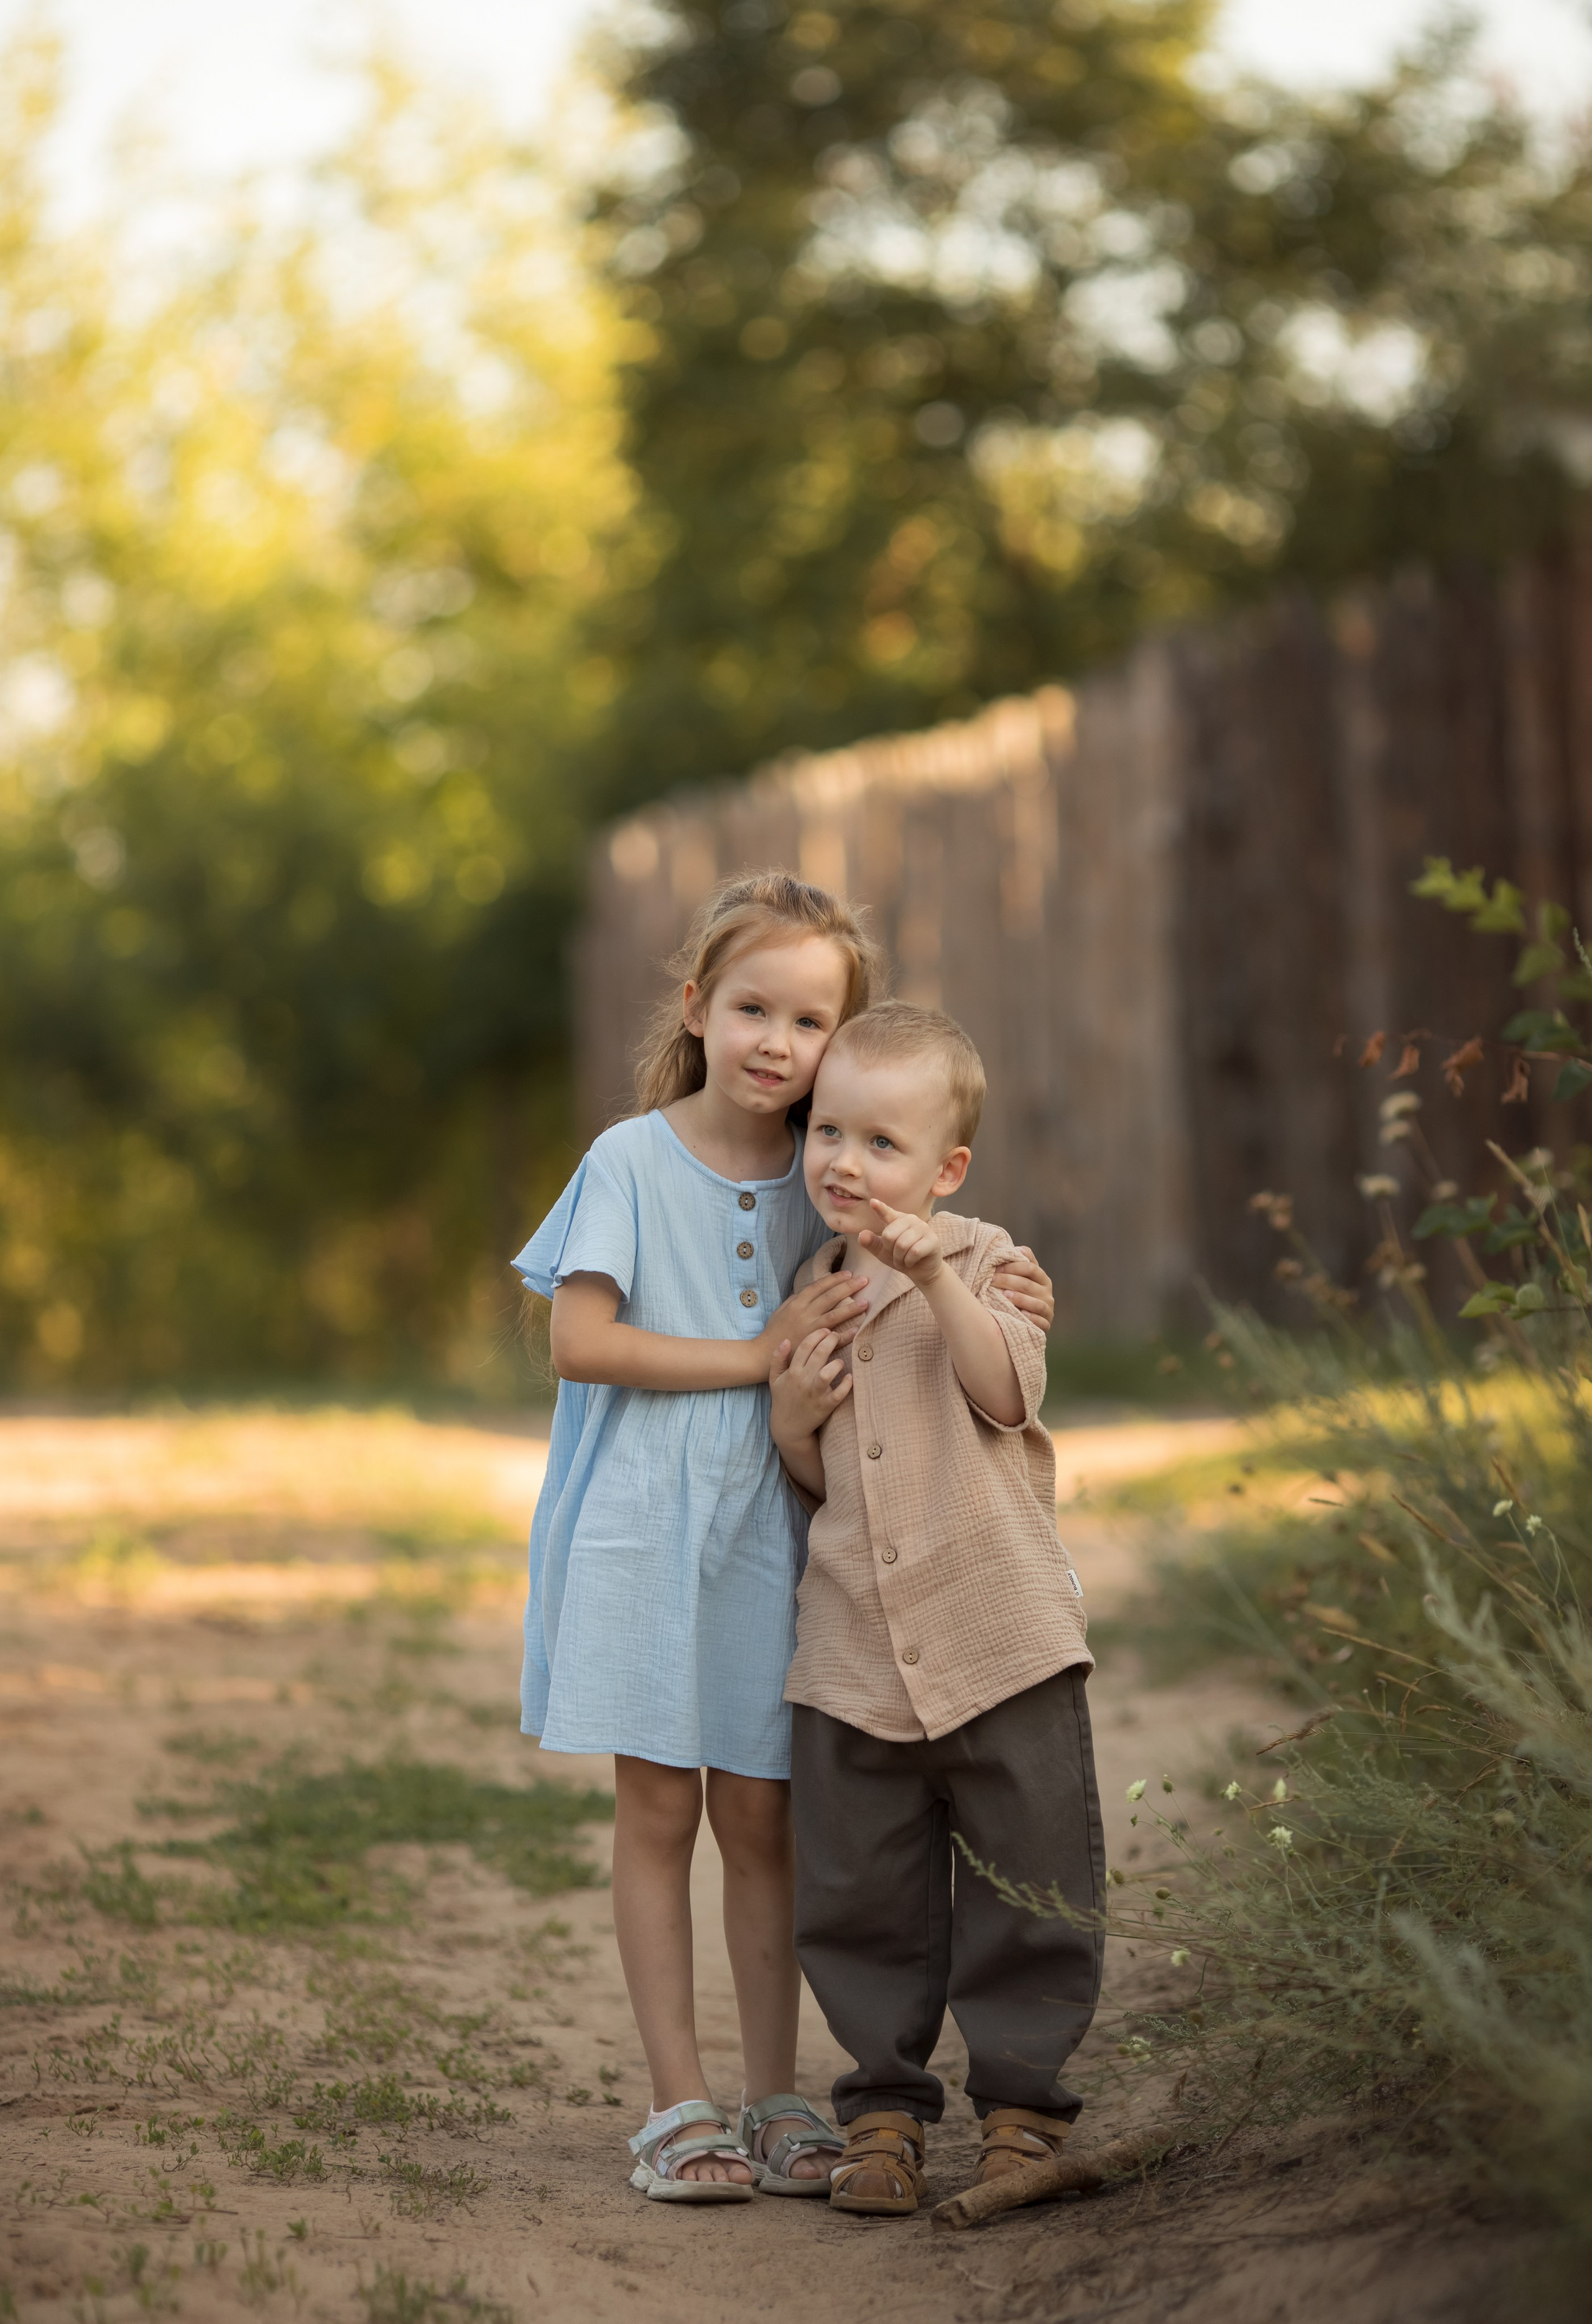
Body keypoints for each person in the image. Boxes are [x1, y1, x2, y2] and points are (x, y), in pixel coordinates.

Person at [514, 876, 1056, 2205]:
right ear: (696, 1006)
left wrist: (1001, 1276)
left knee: (765, 1813)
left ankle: (774, 2099)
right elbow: (579, 1340)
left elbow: (931, 1230)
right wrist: (753, 1357)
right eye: (751, 1006)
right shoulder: (631, 1159)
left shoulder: (833, 1167)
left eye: (809, 1019)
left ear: (842, 1040)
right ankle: (674, 2105)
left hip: (779, 1519)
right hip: (650, 1513)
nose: (775, 1040)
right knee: (658, 1804)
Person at [770, 999, 1101, 2218]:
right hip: (855, 1649)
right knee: (862, 1895)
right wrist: (793, 1413)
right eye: (826, 1134)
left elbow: (1005, 1393)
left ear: (944, 1169)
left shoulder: (986, 1257)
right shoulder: (814, 1285)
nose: (844, 1164)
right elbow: (818, 1484)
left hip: (999, 1637)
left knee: (1029, 1877)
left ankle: (1021, 2111)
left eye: (880, 1145)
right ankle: (882, 2116)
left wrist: (931, 1277)